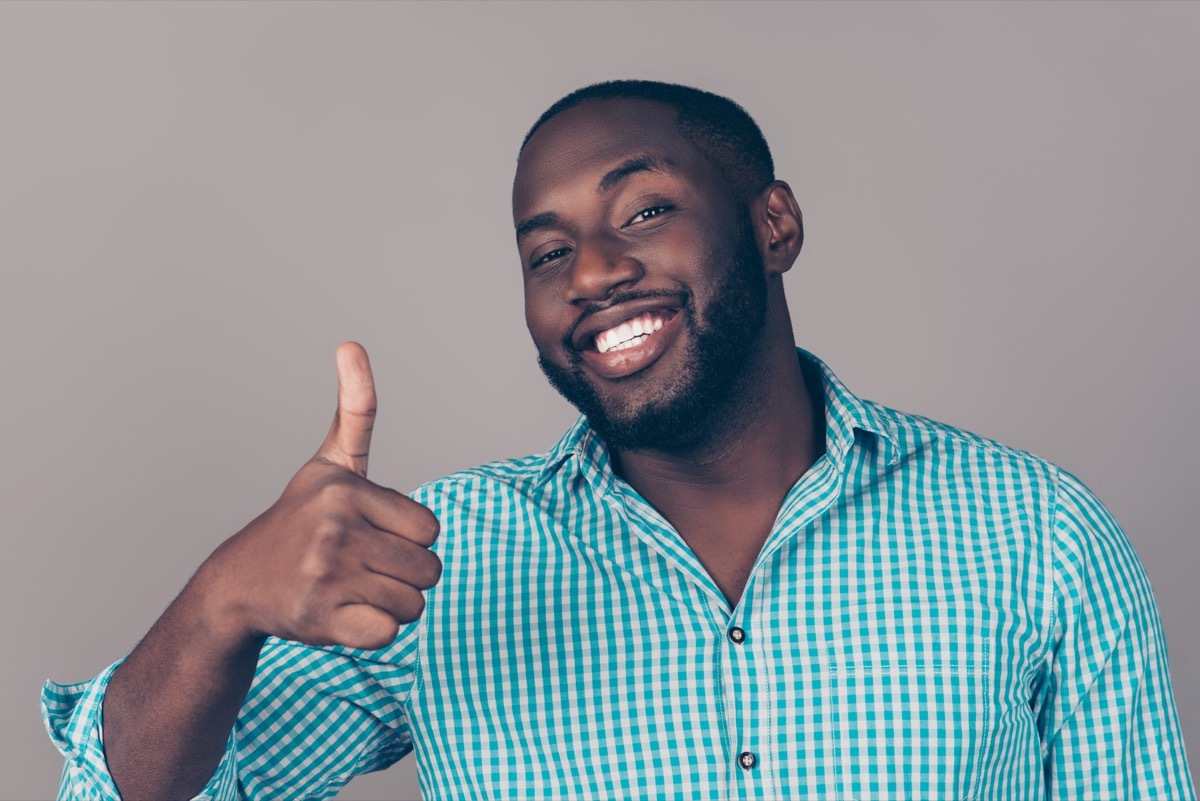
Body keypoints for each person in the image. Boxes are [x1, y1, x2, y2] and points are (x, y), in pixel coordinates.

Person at [43, 80, 1194, 801]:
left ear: (774, 225)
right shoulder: (444, 560)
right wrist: (221, 604)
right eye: (547, 253)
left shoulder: (1036, 532)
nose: (591, 273)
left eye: (645, 211)